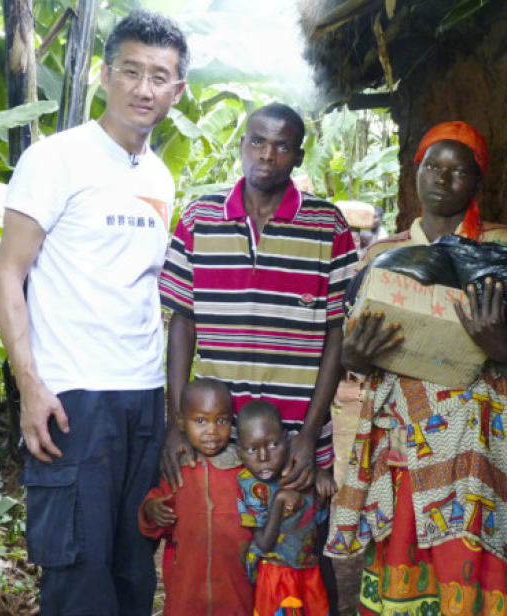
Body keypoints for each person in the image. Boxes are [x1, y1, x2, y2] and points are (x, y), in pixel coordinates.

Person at [0, 10, 188, 615]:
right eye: (130, 70)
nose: (143, 88)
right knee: (77, 570)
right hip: (74, 396)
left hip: (143, 397)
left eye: (159, 76)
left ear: (177, 91)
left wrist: (170, 410)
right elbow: (8, 271)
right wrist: (29, 384)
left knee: (133, 566)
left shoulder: (158, 174)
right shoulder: (57, 159)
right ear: (106, 75)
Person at [325, 121, 507, 615]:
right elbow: (351, 354)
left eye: (458, 171)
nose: (443, 179)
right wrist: (355, 355)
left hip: (479, 437)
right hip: (405, 433)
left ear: (477, 182)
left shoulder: (504, 248)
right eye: (433, 166)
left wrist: (499, 344)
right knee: (403, 536)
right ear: (416, 173)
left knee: (467, 549)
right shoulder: (385, 255)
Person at [158, 102, 358, 609]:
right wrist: (177, 421)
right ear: (242, 144)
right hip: (218, 441)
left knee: (303, 561)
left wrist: (310, 435)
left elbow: (338, 333)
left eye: (282, 145)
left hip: (294, 438)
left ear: (297, 155)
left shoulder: (327, 227)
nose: (267, 156)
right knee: (230, 560)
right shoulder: (200, 218)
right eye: (257, 142)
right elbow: (182, 321)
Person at [138, 378, 252, 615]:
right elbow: (155, 525)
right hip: (186, 586)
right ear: (181, 422)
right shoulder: (177, 470)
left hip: (236, 585)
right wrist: (151, 510)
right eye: (200, 421)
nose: (212, 430)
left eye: (221, 420)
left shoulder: (244, 472)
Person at [236, 401, 330, 615]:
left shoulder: (297, 473)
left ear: (286, 440)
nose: (263, 457)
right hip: (275, 577)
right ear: (240, 452)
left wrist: (322, 478)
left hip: (308, 571)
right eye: (252, 449)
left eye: (273, 445)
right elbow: (264, 543)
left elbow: (318, 517)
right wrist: (278, 501)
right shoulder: (250, 487)